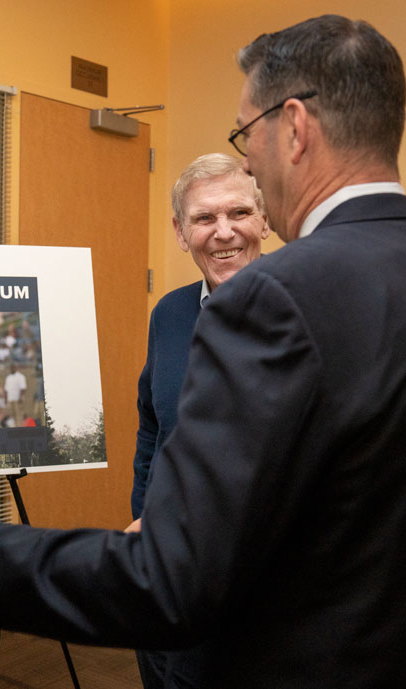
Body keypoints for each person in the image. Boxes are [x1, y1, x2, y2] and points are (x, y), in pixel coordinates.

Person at [0, 16, 406, 689]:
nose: (249, 162)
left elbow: (172, 580)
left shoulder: (273, 299)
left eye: (244, 135)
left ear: (294, 127)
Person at [129, 153, 268, 688]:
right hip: (162, 574)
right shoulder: (170, 314)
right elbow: (151, 427)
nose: (224, 232)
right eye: (204, 219)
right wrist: (145, 514)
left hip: (248, 594)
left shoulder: (301, 312)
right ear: (181, 233)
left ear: (264, 219)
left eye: (238, 213)